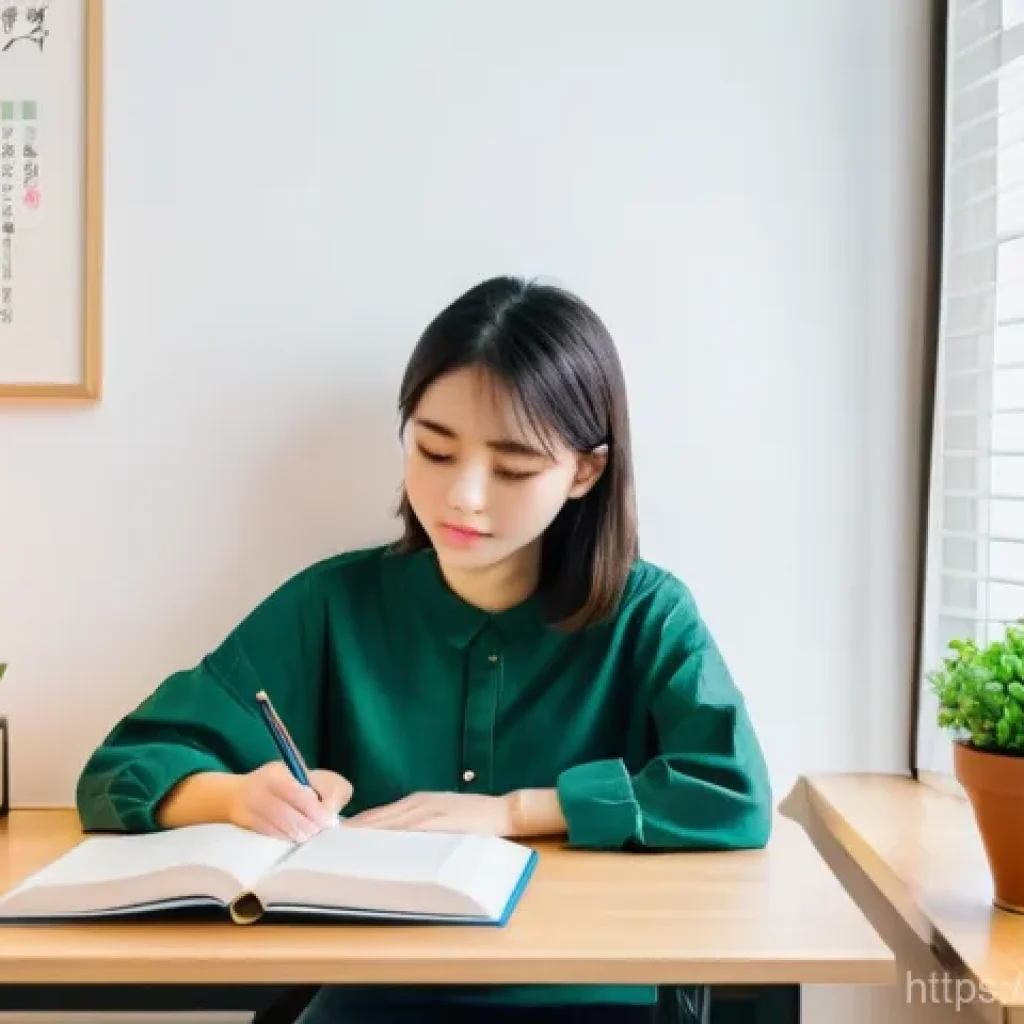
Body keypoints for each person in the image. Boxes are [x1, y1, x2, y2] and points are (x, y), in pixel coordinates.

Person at [75, 275, 773, 1023]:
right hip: (374, 995)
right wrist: (235, 795)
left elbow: (732, 795)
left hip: (592, 992)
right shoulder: (332, 605)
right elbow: (118, 771)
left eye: (512, 468)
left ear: (585, 470)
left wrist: (515, 812)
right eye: (435, 452)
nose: (464, 496)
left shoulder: (646, 615)